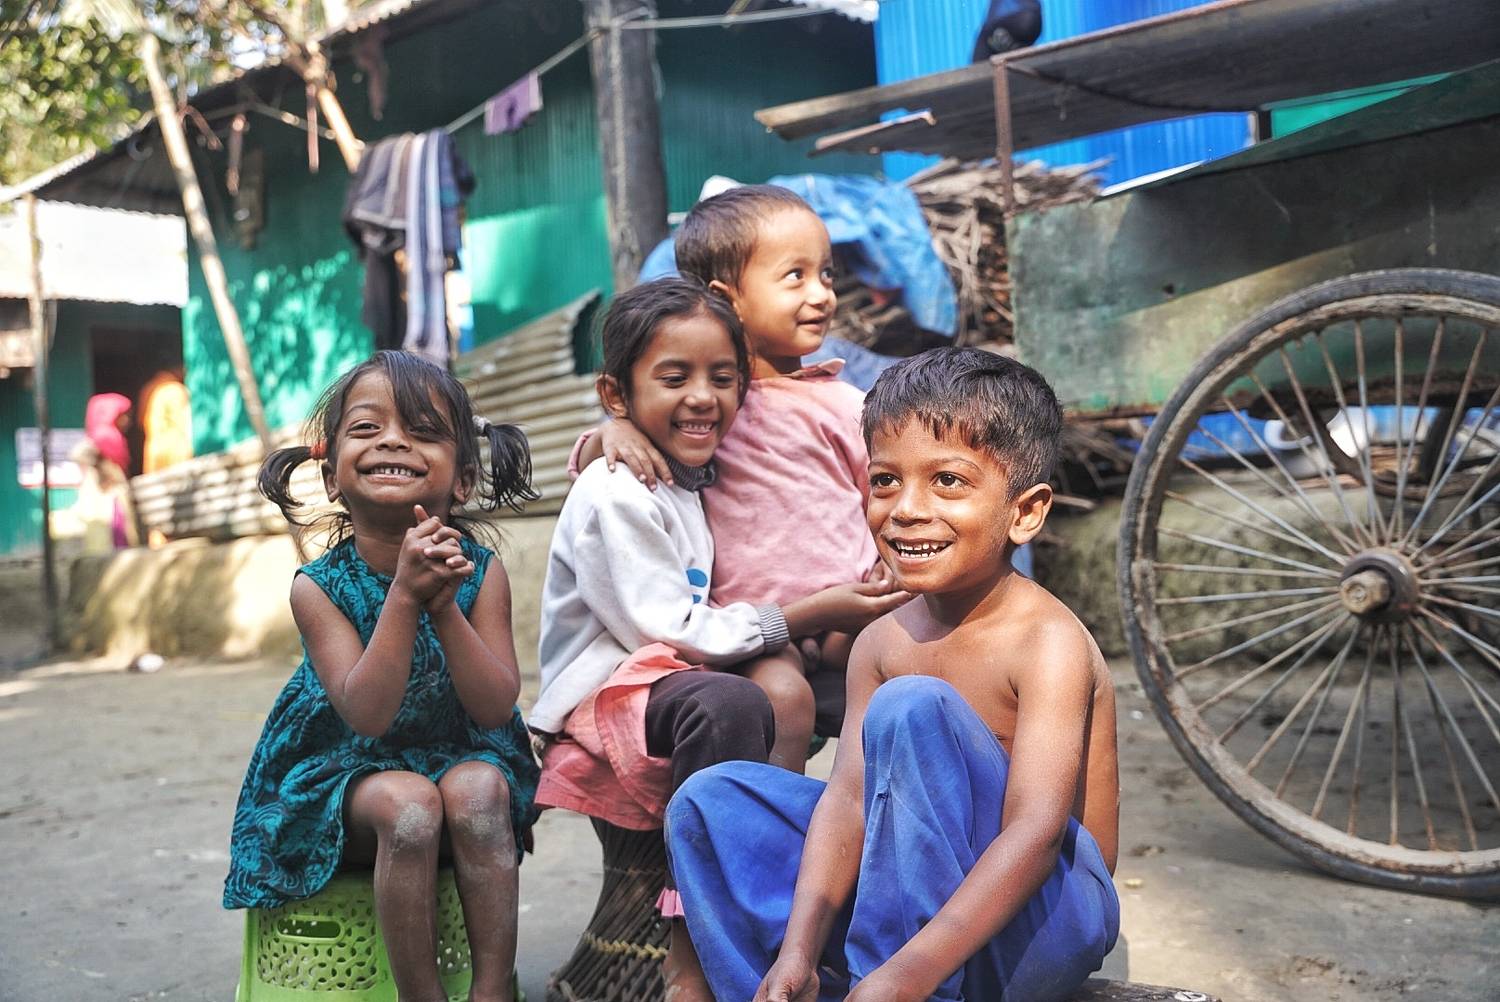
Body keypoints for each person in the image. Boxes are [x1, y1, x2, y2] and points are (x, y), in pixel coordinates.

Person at [666, 347, 1121, 1002]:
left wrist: (910, 974)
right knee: (712, 801)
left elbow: (1037, 834)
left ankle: (902, 985)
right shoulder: (881, 641)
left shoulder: (1047, 641)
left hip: (1044, 918)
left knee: (912, 708)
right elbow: (849, 802)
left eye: (948, 481)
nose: (906, 508)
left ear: (1025, 512)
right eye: (885, 481)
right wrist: (798, 949)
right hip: (911, 915)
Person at [532, 277, 908, 999]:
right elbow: (667, 628)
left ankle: (838, 896)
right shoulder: (617, 490)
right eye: (674, 378)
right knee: (730, 706)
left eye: (723, 378)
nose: (703, 398)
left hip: (681, 664)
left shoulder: (690, 470)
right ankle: (689, 949)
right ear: (616, 395)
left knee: (887, 687)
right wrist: (802, 615)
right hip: (614, 684)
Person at [223, 350, 541, 1002]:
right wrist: (404, 595)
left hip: (459, 755)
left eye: (422, 430)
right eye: (367, 428)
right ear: (332, 477)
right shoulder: (318, 589)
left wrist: (443, 605)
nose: (392, 440)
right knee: (410, 805)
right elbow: (367, 714)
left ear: (463, 480)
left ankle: (491, 990)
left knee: (480, 790)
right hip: (344, 776)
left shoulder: (482, 574)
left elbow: (494, 707)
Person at [575, 185, 883, 772]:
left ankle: (861, 818)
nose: (821, 293)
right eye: (795, 276)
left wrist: (882, 574)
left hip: (850, 617)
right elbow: (614, 445)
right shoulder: (710, 407)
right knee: (784, 701)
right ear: (726, 298)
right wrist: (614, 431)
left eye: (826, 274)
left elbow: (884, 497)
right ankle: (776, 821)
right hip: (748, 629)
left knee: (897, 692)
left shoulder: (847, 405)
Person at [69, 392, 138, 554]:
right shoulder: (104, 436)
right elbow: (78, 454)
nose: (127, 420)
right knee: (109, 537)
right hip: (103, 497)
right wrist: (102, 469)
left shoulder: (109, 436)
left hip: (109, 496)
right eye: (122, 415)